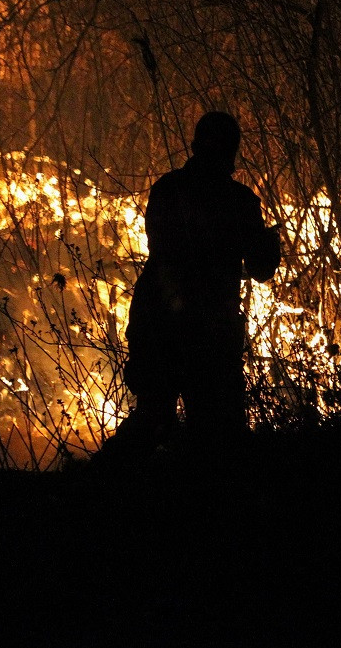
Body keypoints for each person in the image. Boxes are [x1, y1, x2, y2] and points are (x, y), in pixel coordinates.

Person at [101, 111, 280, 462]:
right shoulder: (239, 201)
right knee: (214, 431)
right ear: (233, 152)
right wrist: (269, 244)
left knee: (155, 417)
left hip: (158, 319)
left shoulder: (167, 189)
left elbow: (162, 251)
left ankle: (100, 483)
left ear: (195, 146)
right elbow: (261, 269)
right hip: (206, 328)